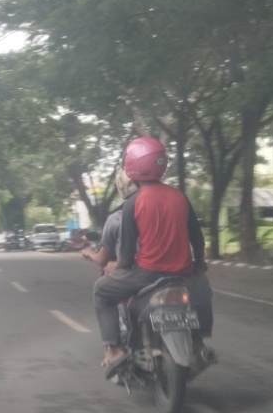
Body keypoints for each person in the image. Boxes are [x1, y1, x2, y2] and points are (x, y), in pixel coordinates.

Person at [91, 136, 213, 378]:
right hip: (183, 274)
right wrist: (199, 263)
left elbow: (126, 254)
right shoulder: (179, 196)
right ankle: (198, 341)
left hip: (147, 275)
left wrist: (116, 267)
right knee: (203, 290)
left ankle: (114, 350)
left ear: (131, 167)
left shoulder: (133, 203)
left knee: (101, 291)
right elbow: (197, 240)